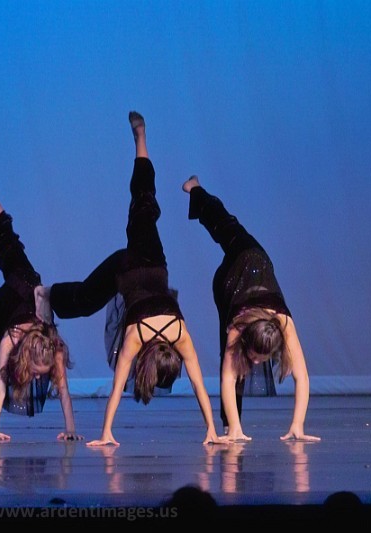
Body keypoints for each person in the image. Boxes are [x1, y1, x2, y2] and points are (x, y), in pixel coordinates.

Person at [39, 111, 224, 446]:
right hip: (125, 269)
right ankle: (48, 294)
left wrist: (212, 428)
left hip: (153, 265)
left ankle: (141, 140)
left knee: (144, 205)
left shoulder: (179, 335)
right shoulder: (135, 339)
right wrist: (106, 433)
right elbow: (118, 388)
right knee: (84, 299)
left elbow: (198, 383)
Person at [182, 175, 320, 442]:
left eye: (260, 358)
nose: (256, 362)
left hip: (248, 276)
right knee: (224, 225)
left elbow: (301, 377)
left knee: (237, 363)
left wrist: (297, 425)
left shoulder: (284, 323)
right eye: (255, 356)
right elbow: (227, 377)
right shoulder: (239, 326)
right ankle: (196, 189)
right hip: (233, 275)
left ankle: (232, 425)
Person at [0, 163, 82, 442]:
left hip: (29, 297)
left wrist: (71, 430)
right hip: (6, 302)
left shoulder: (54, 350)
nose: (39, 379)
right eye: (38, 374)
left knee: (8, 241)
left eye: (41, 375)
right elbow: (0, 384)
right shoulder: (11, 339)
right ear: (27, 358)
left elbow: (64, 392)